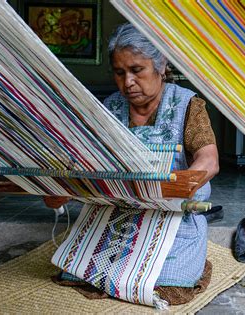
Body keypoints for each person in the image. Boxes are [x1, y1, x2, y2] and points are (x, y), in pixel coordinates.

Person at [46, 22, 219, 305]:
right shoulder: (108, 110)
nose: (127, 82)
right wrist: (62, 188)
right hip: (116, 217)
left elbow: (208, 160)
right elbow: (85, 161)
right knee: (78, 274)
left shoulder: (188, 105)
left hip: (172, 219)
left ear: (161, 64)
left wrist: (173, 187)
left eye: (137, 70)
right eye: (119, 72)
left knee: (170, 283)